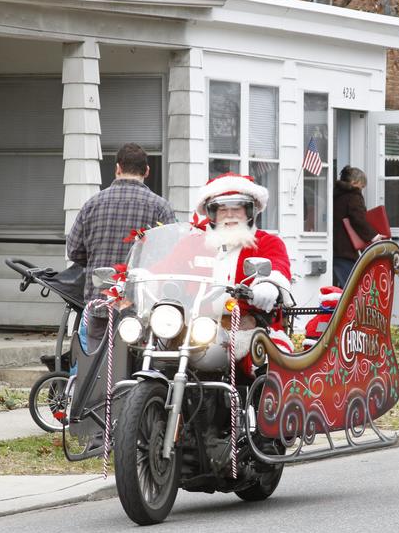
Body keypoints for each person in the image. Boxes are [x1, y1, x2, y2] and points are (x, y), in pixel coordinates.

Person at [68, 142, 175, 342]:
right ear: (147, 171)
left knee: (94, 365)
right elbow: (170, 256)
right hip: (142, 307)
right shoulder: (160, 207)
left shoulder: (92, 204)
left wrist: (97, 262)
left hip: (100, 303)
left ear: (118, 168)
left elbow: (74, 251)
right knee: (137, 367)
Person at [196, 173, 293, 368]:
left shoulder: (267, 242)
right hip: (198, 329)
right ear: (212, 214)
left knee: (266, 366)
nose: (230, 215)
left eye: (237, 209)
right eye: (222, 209)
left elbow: (277, 266)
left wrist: (268, 285)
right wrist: (135, 278)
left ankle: (257, 398)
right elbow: (164, 266)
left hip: (250, 328)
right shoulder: (195, 243)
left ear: (250, 212)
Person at [332, 166, 380, 288]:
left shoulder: (335, 194)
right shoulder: (354, 196)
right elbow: (358, 219)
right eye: (361, 186)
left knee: (338, 288)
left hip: (333, 248)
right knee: (353, 288)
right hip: (346, 249)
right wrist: (373, 236)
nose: (361, 190)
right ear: (354, 183)